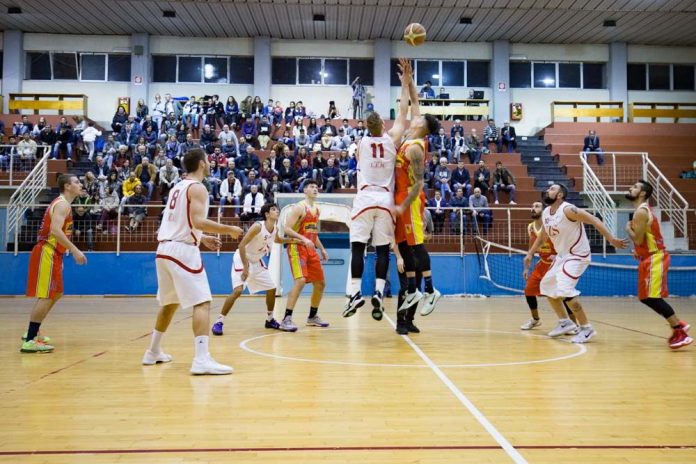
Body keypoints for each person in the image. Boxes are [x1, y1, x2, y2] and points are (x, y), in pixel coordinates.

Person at [142, 148, 243, 375]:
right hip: (182, 251)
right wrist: (228, 229)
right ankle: (201, 359)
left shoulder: (178, 187)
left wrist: (202, 237)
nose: (209, 163)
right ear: (201, 163)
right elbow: (197, 220)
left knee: (169, 304)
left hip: (164, 249)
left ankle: (153, 351)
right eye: (207, 160)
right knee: (202, 302)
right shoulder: (198, 188)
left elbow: (183, 221)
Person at [343, 58, 412, 321]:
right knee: (383, 251)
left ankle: (354, 293)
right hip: (384, 199)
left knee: (358, 248)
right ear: (382, 126)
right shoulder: (391, 139)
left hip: (363, 198)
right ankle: (379, 292)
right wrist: (404, 83)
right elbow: (403, 112)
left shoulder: (359, 143)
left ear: (366, 127)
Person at [524, 184, 627, 343]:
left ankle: (587, 329)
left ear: (559, 195)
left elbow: (594, 219)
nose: (547, 190)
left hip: (577, 255)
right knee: (546, 286)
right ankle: (565, 322)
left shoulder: (568, 210)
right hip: (562, 256)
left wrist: (611, 239)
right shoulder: (546, 212)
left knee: (564, 289)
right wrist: (530, 253)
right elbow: (543, 235)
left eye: (552, 189)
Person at [393, 68, 442, 317]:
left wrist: (405, 205)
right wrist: (408, 80)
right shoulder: (412, 136)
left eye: (419, 119)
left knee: (417, 245)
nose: (416, 117)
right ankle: (413, 289)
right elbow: (415, 102)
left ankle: (431, 290)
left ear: (423, 127)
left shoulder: (414, 149)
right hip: (400, 197)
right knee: (406, 247)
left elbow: (420, 183)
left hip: (410, 200)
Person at [22, 174, 88, 353]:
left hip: (54, 252)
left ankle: (34, 331)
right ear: (67, 186)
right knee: (48, 295)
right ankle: (29, 339)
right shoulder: (62, 204)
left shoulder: (65, 204)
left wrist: (63, 251)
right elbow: (55, 231)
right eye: (76, 182)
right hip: (47, 251)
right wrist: (74, 250)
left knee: (56, 293)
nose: (80, 184)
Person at [212, 203, 301, 335]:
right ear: (266, 214)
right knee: (237, 291)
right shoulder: (258, 226)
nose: (277, 211)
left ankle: (270, 319)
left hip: (256, 261)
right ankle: (219, 321)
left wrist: (294, 240)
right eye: (274, 209)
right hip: (243, 258)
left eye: (278, 209)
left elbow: (278, 240)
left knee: (272, 288)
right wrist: (245, 268)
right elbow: (241, 245)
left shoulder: (275, 228)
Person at [624, 180, 692, 349]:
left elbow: (638, 238)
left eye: (634, 187)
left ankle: (680, 331)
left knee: (652, 297)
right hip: (647, 257)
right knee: (645, 297)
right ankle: (679, 324)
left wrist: (628, 230)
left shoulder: (640, 211)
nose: (630, 188)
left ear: (642, 193)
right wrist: (638, 251)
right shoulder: (642, 210)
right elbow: (646, 239)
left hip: (656, 258)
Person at [281, 180, 330, 331]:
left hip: (310, 249)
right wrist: (304, 239)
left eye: (316, 186)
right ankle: (286, 318)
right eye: (311, 187)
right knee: (301, 281)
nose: (315, 189)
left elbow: (313, 233)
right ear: (305, 191)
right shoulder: (299, 207)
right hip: (296, 247)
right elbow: (287, 228)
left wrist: (322, 249)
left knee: (320, 283)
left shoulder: (317, 209)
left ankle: (312, 317)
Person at [521, 202, 577, 331]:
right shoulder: (530, 227)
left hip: (556, 264)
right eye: (532, 206)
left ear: (544, 210)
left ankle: (574, 324)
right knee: (529, 290)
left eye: (536, 206)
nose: (533, 208)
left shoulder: (551, 225)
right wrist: (526, 267)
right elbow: (532, 246)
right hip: (541, 264)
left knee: (562, 294)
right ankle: (535, 320)